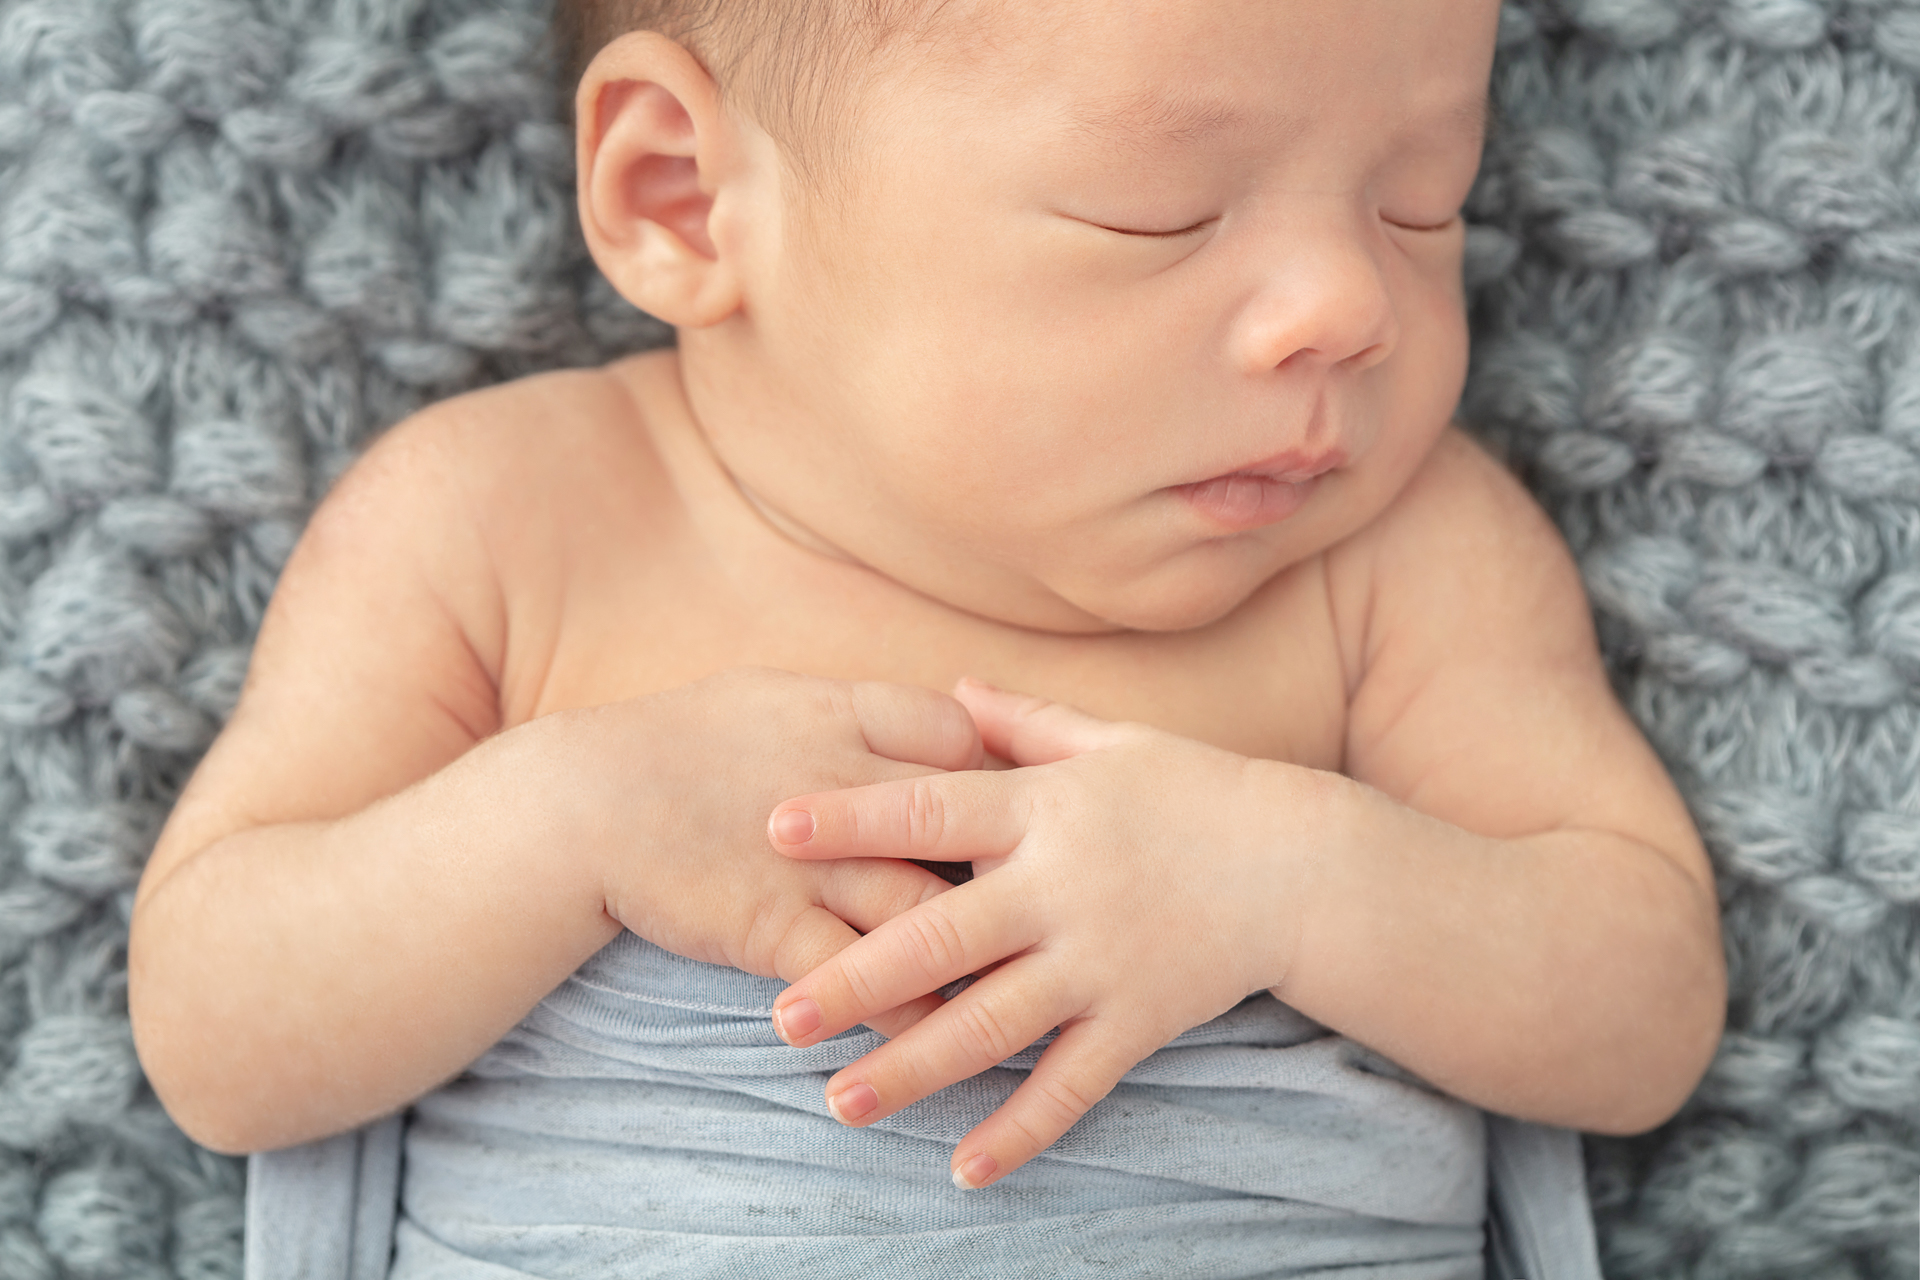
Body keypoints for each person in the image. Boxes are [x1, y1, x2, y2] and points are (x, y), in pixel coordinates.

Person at [128, 0, 1725, 1274]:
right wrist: (564, 819)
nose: (1344, 306)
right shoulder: (505, 525)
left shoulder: (1394, 558)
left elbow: (1639, 1013)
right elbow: (219, 1032)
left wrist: (1292, 880)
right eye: (1158, 212)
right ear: (684, 193)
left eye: (1419, 202)